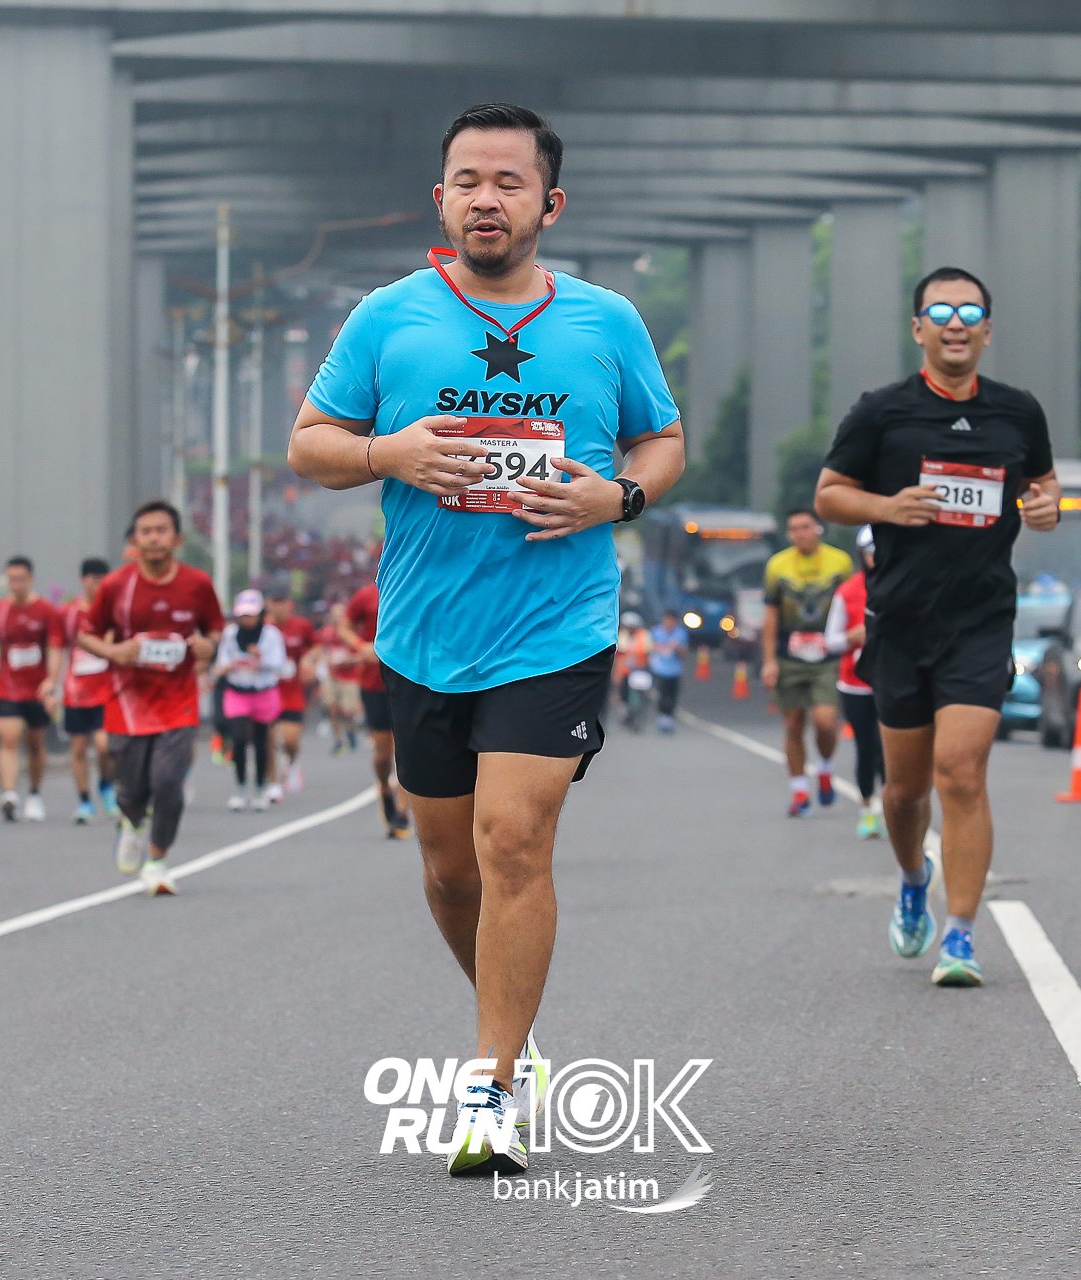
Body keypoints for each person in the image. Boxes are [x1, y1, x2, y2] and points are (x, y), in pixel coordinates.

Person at [288, 102, 685, 1176]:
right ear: (441, 199)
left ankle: (491, 1084)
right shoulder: (388, 318)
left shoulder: (606, 321)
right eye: (468, 180)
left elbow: (661, 439)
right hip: (423, 632)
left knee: (512, 838)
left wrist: (619, 497)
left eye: (509, 182)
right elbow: (310, 444)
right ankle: (512, 1024)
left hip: (556, 623)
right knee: (450, 869)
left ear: (550, 204)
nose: (486, 199)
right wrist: (389, 454)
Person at [815, 266, 1060, 987]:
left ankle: (960, 935)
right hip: (900, 623)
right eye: (942, 312)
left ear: (988, 330)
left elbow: (1042, 487)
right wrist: (887, 508)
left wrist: (1046, 507)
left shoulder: (1018, 412)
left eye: (971, 312)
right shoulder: (882, 412)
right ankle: (913, 877)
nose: (957, 324)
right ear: (919, 328)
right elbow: (829, 496)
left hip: (980, 621)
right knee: (904, 792)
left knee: (962, 771)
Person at [77, 500, 224, 896]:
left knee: (168, 781)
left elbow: (215, 627)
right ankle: (132, 821)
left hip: (179, 699)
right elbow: (86, 633)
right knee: (131, 789)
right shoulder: (116, 586)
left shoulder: (197, 584)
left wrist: (209, 645)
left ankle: (157, 861)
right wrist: (115, 652)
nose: (154, 538)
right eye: (146, 531)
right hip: (129, 702)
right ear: (134, 541)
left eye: (161, 530)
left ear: (177, 539)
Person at [761, 509, 854, 817]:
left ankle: (824, 767)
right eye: (793, 529)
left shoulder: (840, 562)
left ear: (818, 529)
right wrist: (769, 661)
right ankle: (800, 790)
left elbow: (852, 605)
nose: (799, 533)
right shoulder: (777, 565)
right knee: (793, 725)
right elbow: (771, 614)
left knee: (826, 721)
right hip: (790, 654)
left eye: (804, 527)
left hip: (828, 654)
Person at [0, 555, 60, 822]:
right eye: (11, 579)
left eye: (20, 579)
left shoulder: (46, 611)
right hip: (8, 687)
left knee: (35, 743)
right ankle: (9, 793)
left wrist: (51, 681)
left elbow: (54, 649)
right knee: (9, 738)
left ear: (31, 579)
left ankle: (34, 793)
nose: (16, 584)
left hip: (37, 689)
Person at [825, 527, 884, 838]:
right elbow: (831, 641)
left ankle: (895, 808)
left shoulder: (904, 585)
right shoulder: (848, 591)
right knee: (866, 746)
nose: (877, 557)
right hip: (855, 683)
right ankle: (867, 808)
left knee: (891, 748)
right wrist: (851, 636)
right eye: (871, 551)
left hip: (893, 682)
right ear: (862, 554)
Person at [341, 578, 411, 839]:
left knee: (407, 749)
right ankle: (383, 786)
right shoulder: (367, 595)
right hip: (374, 684)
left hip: (411, 682)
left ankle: (402, 812)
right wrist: (361, 646)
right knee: (383, 754)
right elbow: (344, 626)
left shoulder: (416, 585)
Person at [50, 556, 118, 824]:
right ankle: (84, 801)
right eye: (92, 579)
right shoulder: (67, 613)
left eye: (102, 579)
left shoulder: (114, 612)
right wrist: (50, 682)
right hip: (76, 693)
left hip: (106, 692)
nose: (97, 584)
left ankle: (107, 786)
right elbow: (57, 649)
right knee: (78, 749)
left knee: (104, 746)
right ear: (83, 580)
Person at [214, 588, 290, 811]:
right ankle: (240, 788)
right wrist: (226, 666)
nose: (247, 619)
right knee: (238, 738)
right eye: (243, 614)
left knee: (261, 741)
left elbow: (279, 664)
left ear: (260, 614)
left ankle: (259, 788)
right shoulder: (230, 634)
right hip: (237, 692)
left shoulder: (271, 635)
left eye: (251, 614)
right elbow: (222, 660)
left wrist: (260, 658)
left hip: (264, 693)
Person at [266, 585, 317, 801]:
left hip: (292, 691)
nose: (279, 608)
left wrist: (308, 660)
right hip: (267, 690)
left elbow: (315, 647)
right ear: (268, 606)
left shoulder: (301, 625)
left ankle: (292, 762)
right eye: (274, 604)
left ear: (289, 605)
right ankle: (272, 782)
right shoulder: (264, 628)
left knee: (290, 739)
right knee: (267, 739)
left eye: (282, 604)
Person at [318, 600, 363, 756]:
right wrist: (327, 660)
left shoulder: (353, 631)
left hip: (350, 676)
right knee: (331, 707)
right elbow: (321, 650)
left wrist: (348, 660)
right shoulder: (326, 631)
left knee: (347, 711)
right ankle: (338, 740)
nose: (337, 618)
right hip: (332, 674)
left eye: (340, 615)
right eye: (334, 615)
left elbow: (363, 653)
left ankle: (351, 730)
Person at [646, 609, 688, 734]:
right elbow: (649, 647)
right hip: (659, 669)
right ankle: (662, 718)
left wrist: (677, 648)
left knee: (673, 695)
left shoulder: (680, 633)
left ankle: (669, 718)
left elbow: (684, 652)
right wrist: (663, 647)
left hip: (675, 670)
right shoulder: (656, 631)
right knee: (662, 695)